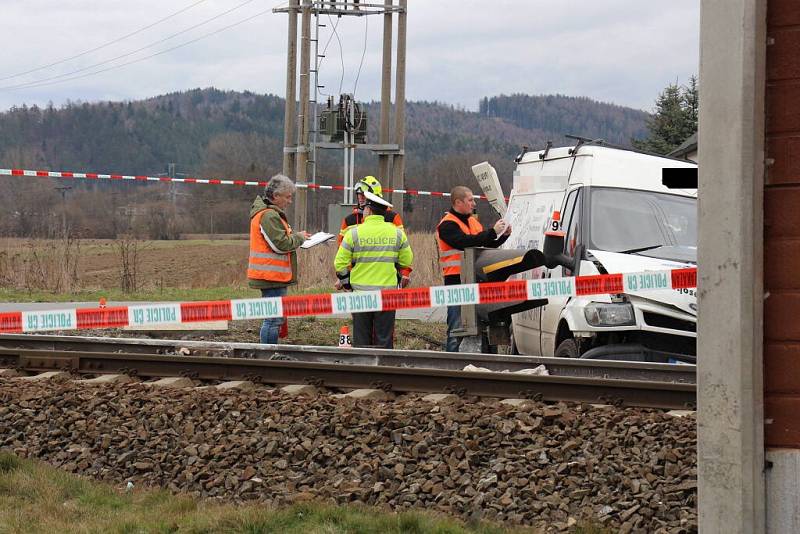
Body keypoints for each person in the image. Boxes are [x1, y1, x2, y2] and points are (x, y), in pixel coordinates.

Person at [437, 185, 512, 352]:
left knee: (481, 326)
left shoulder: (472, 221)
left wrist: (502, 236)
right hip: (456, 282)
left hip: (477, 280)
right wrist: (493, 232)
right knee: (457, 327)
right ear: (458, 202)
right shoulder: (447, 225)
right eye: (470, 200)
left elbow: (484, 243)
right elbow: (465, 242)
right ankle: (453, 365)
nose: (474, 203)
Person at [334, 191, 413, 349]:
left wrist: (346, 283)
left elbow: (339, 263)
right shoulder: (397, 234)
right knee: (384, 339)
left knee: (362, 340)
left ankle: (363, 371)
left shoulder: (353, 233)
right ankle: (383, 370)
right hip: (387, 294)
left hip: (360, 295)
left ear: (368, 210)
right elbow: (406, 260)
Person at [247, 174, 310, 344]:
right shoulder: (268, 215)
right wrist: (299, 238)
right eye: (288, 197)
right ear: (276, 196)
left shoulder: (269, 214)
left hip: (272, 276)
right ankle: (268, 355)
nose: (290, 201)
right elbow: (281, 244)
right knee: (273, 320)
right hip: (270, 277)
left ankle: (269, 353)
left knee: (274, 319)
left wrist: (296, 237)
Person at [337, 175, 404, 245]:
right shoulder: (349, 221)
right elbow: (341, 247)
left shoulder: (392, 218)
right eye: (358, 195)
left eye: (363, 195)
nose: (360, 198)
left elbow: (401, 243)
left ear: (374, 197)